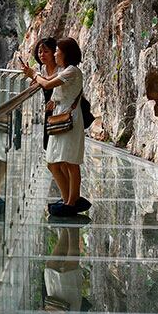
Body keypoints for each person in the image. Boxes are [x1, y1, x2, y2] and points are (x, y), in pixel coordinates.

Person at [32, 38, 90, 216]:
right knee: (54, 162)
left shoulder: (72, 71)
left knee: (71, 162)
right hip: (61, 116)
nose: (55, 53)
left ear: (66, 53)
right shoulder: (66, 71)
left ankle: (71, 202)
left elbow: (48, 83)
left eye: (57, 51)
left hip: (69, 119)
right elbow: (50, 82)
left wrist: (33, 75)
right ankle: (68, 200)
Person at [21, 37, 58, 150]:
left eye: (46, 52)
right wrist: (37, 80)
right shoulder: (43, 69)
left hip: (60, 109)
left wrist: (35, 76)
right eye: (40, 52)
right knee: (49, 146)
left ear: (54, 53)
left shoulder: (61, 69)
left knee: (58, 148)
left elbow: (48, 83)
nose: (42, 55)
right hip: (49, 110)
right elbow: (44, 80)